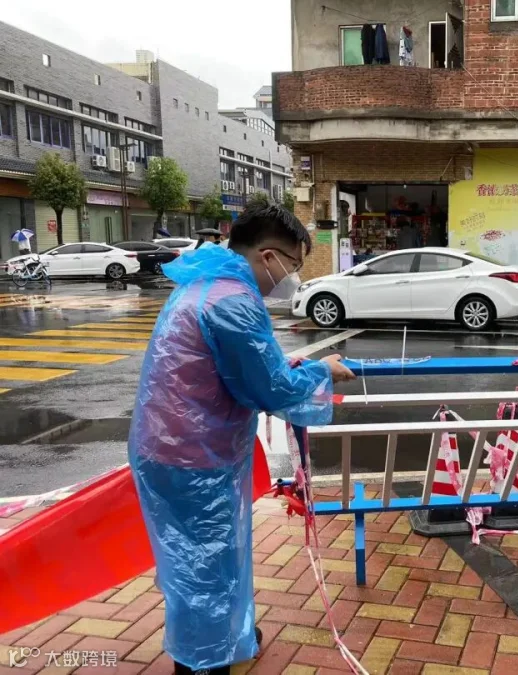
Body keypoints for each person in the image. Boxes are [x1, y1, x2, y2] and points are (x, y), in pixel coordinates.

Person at [128, 204, 355, 675]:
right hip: (194, 457)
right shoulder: (233, 301)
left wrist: (284, 367)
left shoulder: (204, 284)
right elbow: (269, 388)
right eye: (293, 264)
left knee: (200, 560)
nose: (291, 276)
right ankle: (204, 664)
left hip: (170, 447)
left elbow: (238, 367)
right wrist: (321, 371)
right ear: (268, 256)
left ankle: (231, 636)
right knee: (206, 567)